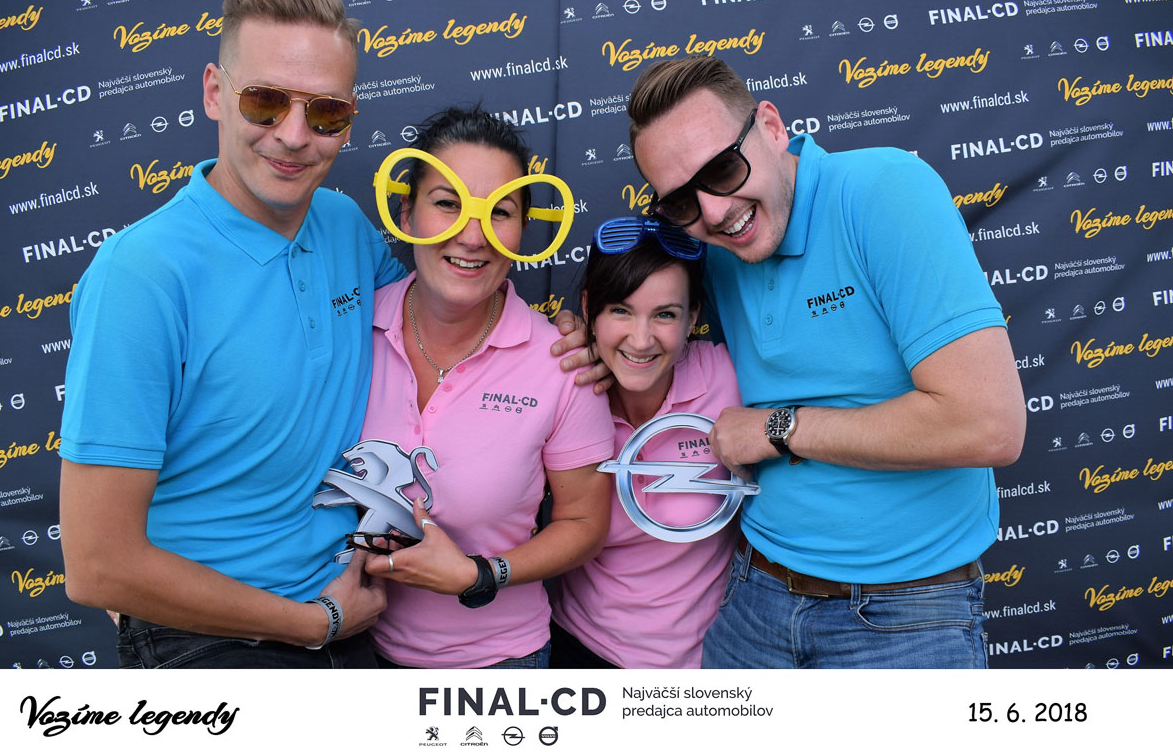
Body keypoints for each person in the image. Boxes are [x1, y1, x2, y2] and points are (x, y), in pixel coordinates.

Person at [557, 55, 1026, 668]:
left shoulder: (883, 191)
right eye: (680, 201)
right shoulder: (712, 243)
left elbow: (988, 425)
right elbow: (643, 307)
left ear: (772, 127)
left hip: (904, 614)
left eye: (723, 168)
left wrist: (778, 429)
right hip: (753, 599)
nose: (714, 211)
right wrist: (581, 334)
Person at [58, 0, 404, 667]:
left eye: (326, 112)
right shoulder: (140, 276)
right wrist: (312, 624)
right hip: (208, 637)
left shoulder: (343, 224)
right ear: (215, 92)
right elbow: (97, 567)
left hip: (348, 611)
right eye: (265, 102)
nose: (294, 136)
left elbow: (434, 329)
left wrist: (563, 343)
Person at [356, 107, 613, 668]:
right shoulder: (347, 332)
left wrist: (480, 574)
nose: (472, 236)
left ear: (523, 228)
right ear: (407, 212)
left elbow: (584, 524)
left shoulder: (561, 362)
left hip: (499, 667)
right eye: (447, 203)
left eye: (499, 212)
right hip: (348, 654)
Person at [549, 227, 742, 668]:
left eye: (665, 315)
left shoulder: (730, 380)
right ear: (588, 309)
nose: (640, 340)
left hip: (711, 664)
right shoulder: (563, 389)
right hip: (583, 652)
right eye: (620, 310)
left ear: (693, 317)